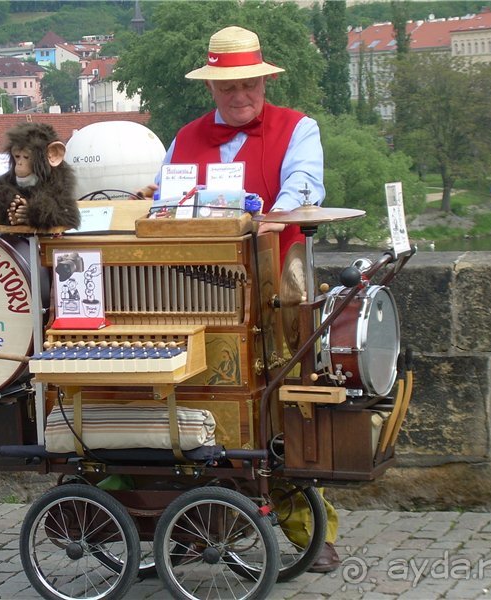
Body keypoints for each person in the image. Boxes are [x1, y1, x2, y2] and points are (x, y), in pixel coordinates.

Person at [137, 25, 340, 573]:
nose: (240, 95)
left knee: (284, 403)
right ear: (212, 90)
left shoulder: (299, 129)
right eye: (228, 87)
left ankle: (305, 532)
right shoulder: (184, 137)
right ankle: (191, 524)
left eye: (249, 83)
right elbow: (163, 203)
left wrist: (263, 217)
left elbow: (304, 189)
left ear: (263, 81)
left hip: (276, 281)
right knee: (191, 401)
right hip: (197, 288)